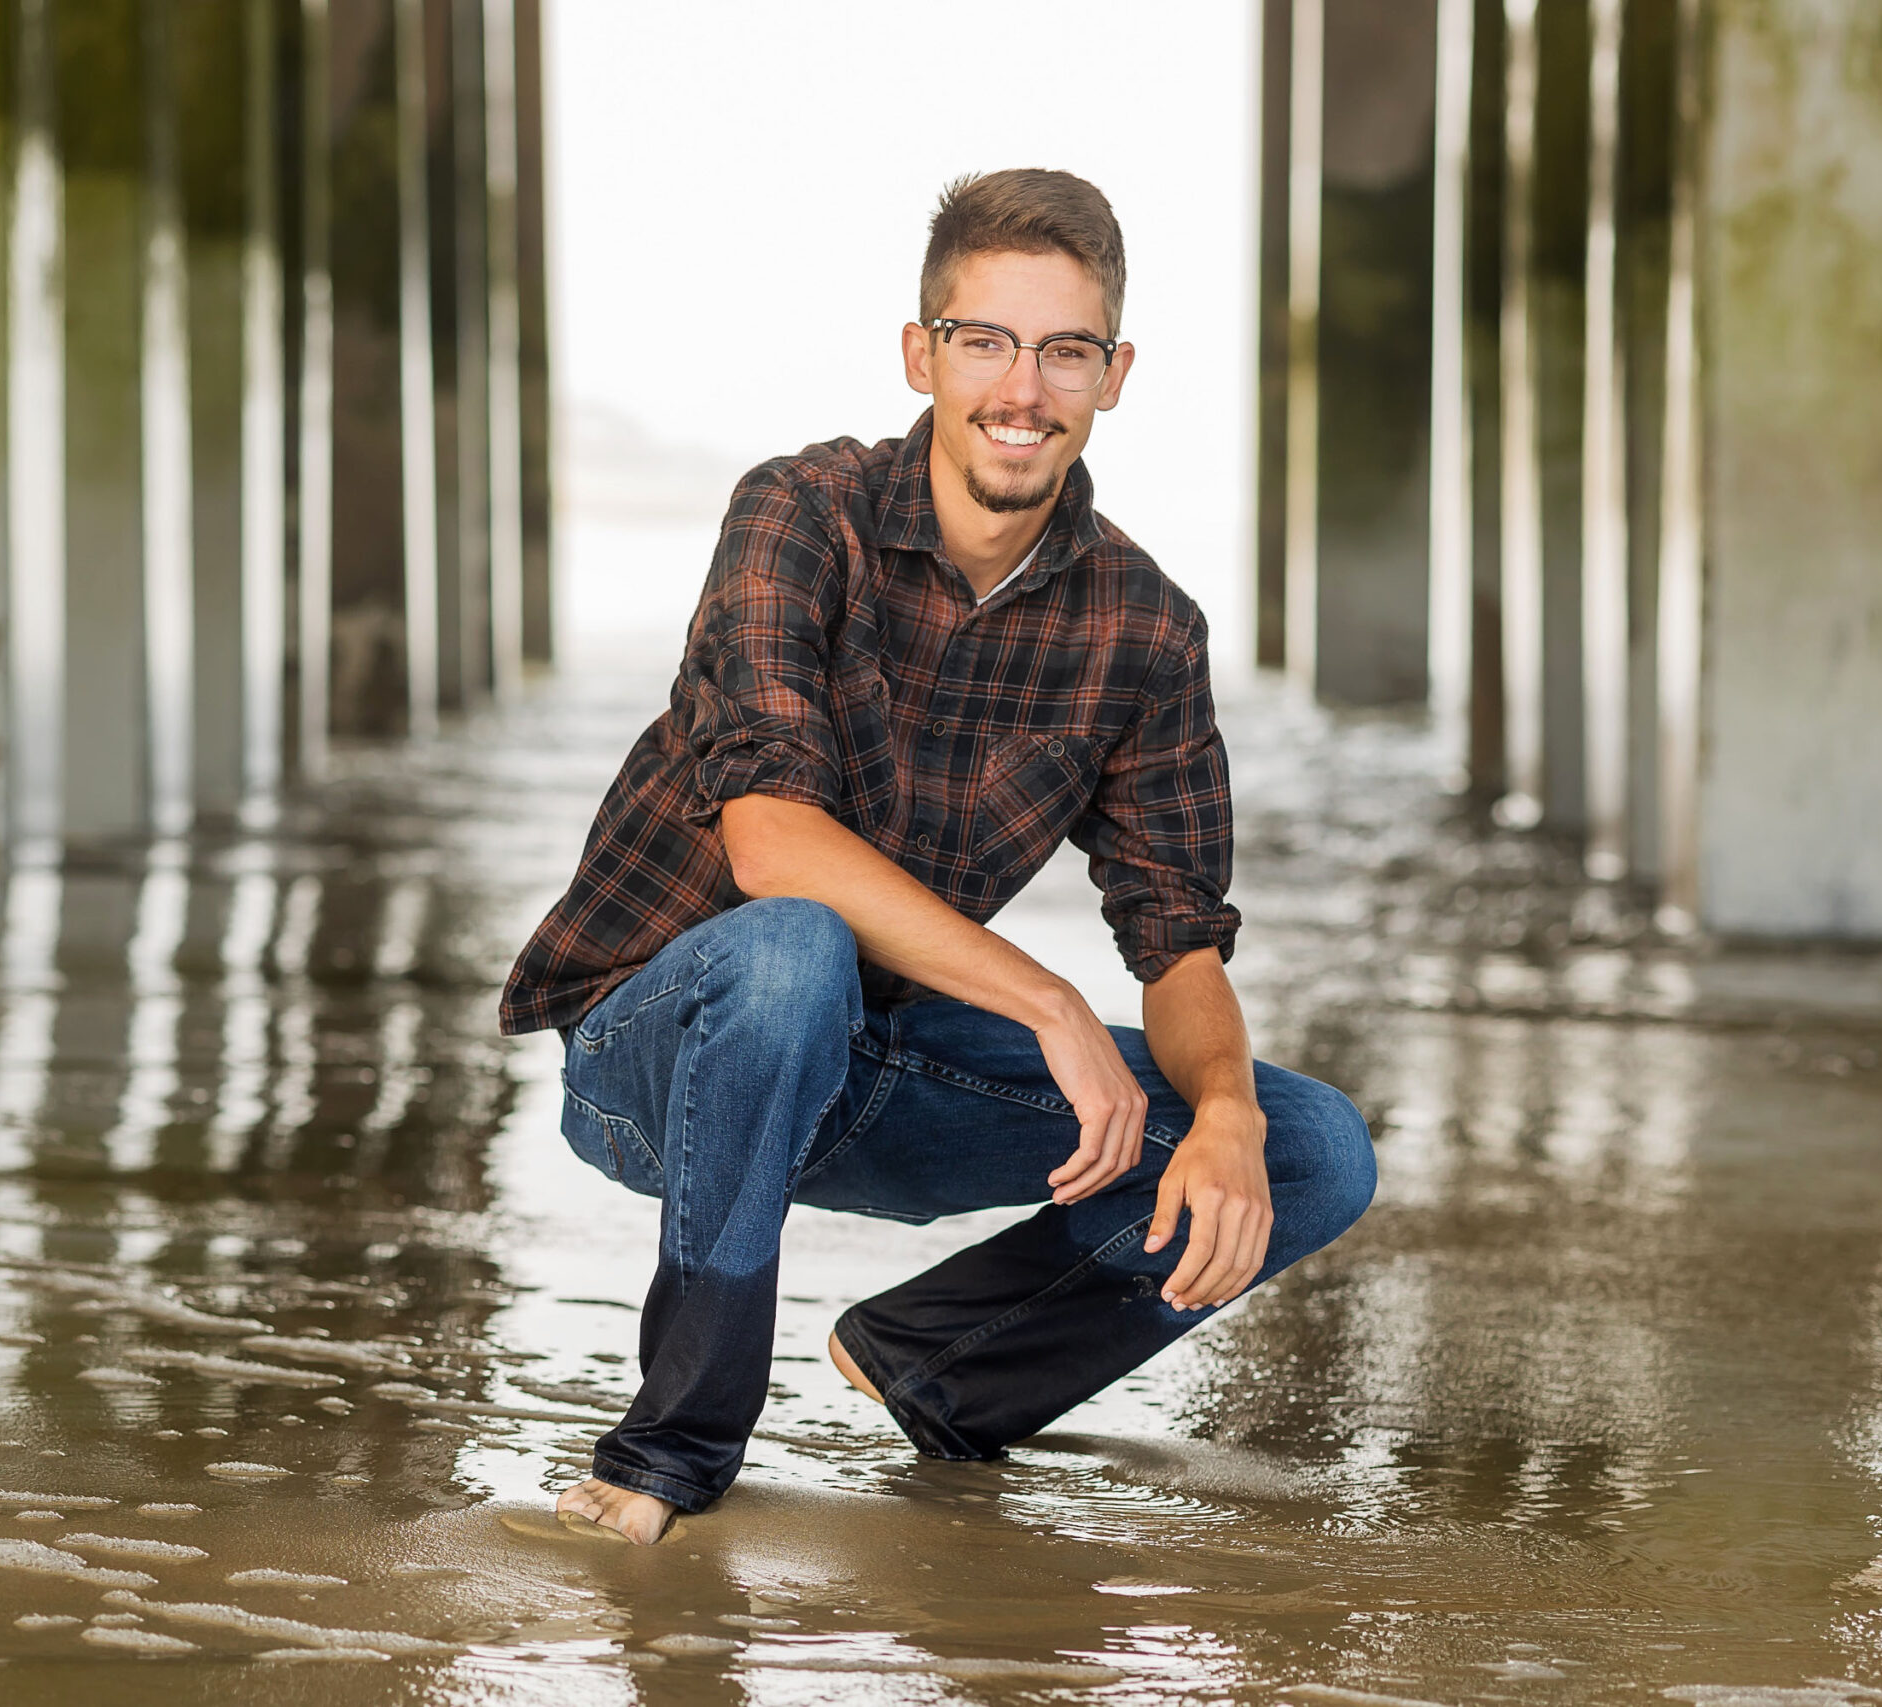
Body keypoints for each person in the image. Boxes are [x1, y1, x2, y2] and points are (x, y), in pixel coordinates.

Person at [499, 169, 1376, 1544]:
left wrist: (1225, 1120)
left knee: (1311, 1144)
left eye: (1065, 350)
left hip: (886, 1073)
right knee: (794, 950)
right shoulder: (802, 514)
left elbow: (1180, 935)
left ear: (1115, 375)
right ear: (924, 353)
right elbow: (772, 841)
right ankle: (671, 1450)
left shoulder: (1147, 630)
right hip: (655, 1059)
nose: (1022, 389)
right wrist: (1043, 1002)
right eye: (987, 342)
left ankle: (947, 1366)